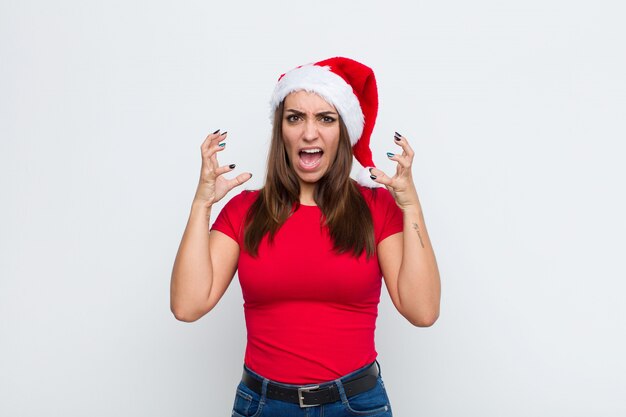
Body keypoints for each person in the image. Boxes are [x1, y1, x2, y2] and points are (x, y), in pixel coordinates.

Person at [170, 57, 441, 416]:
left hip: (355, 405)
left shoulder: (376, 208)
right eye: (295, 117)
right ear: (281, 129)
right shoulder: (245, 211)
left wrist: (411, 207)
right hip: (264, 405)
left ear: (343, 131)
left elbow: (422, 311)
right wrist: (202, 203)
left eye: (326, 118)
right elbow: (187, 306)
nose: (309, 133)